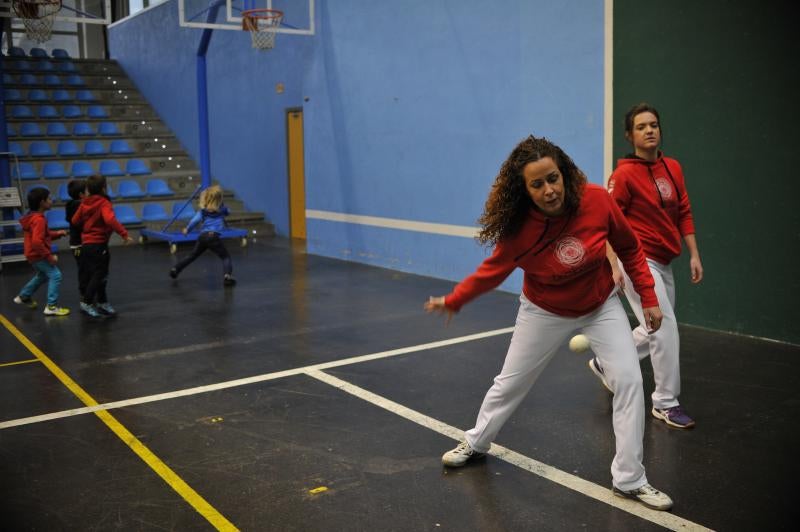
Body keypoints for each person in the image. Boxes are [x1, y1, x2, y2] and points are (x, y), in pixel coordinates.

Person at [424, 135, 673, 511]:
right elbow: (491, 273)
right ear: (524, 190)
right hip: (544, 310)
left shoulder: (595, 200)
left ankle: (629, 479)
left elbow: (629, 247)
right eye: (537, 184)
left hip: (600, 303)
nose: (549, 190)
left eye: (553, 178)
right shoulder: (518, 229)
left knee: (629, 380)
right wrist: (456, 300)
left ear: (565, 174)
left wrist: (649, 298)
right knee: (511, 382)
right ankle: (476, 442)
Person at [587, 103, 703, 430]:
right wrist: (614, 265)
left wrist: (693, 253)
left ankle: (604, 365)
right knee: (664, 326)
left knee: (654, 327)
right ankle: (665, 403)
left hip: (664, 261)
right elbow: (607, 222)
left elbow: (684, 210)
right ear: (630, 135)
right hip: (636, 261)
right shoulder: (623, 176)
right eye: (641, 126)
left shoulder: (673, 168)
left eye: (653, 124)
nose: (649, 130)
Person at [71, 175, 134, 317]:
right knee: (100, 274)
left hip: (86, 245)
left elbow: (75, 221)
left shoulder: (84, 203)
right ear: (104, 188)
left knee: (99, 274)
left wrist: (88, 226)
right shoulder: (103, 203)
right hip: (99, 244)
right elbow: (110, 219)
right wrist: (124, 234)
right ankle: (87, 302)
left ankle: (102, 302)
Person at [13, 187, 70, 316]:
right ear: (42, 203)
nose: (52, 200)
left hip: (32, 254)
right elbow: (37, 242)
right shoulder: (39, 220)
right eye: (49, 198)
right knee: (55, 275)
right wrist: (49, 257)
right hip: (37, 254)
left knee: (42, 275)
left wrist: (57, 234)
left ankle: (24, 296)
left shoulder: (33, 217)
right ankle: (51, 306)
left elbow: (42, 235)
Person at [169, 185, 236, 286]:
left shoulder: (202, 212)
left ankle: (175, 269)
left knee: (192, 255)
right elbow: (228, 212)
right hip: (213, 237)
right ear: (219, 199)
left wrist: (187, 229)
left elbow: (194, 221)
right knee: (225, 257)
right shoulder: (223, 210)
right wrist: (222, 207)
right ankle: (227, 276)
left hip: (202, 236)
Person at [64, 179, 88, 306]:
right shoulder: (79, 206)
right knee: (84, 269)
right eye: (87, 191)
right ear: (81, 194)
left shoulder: (70, 205)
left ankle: (86, 292)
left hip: (76, 243)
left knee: (85, 268)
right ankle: (84, 293)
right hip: (79, 244)